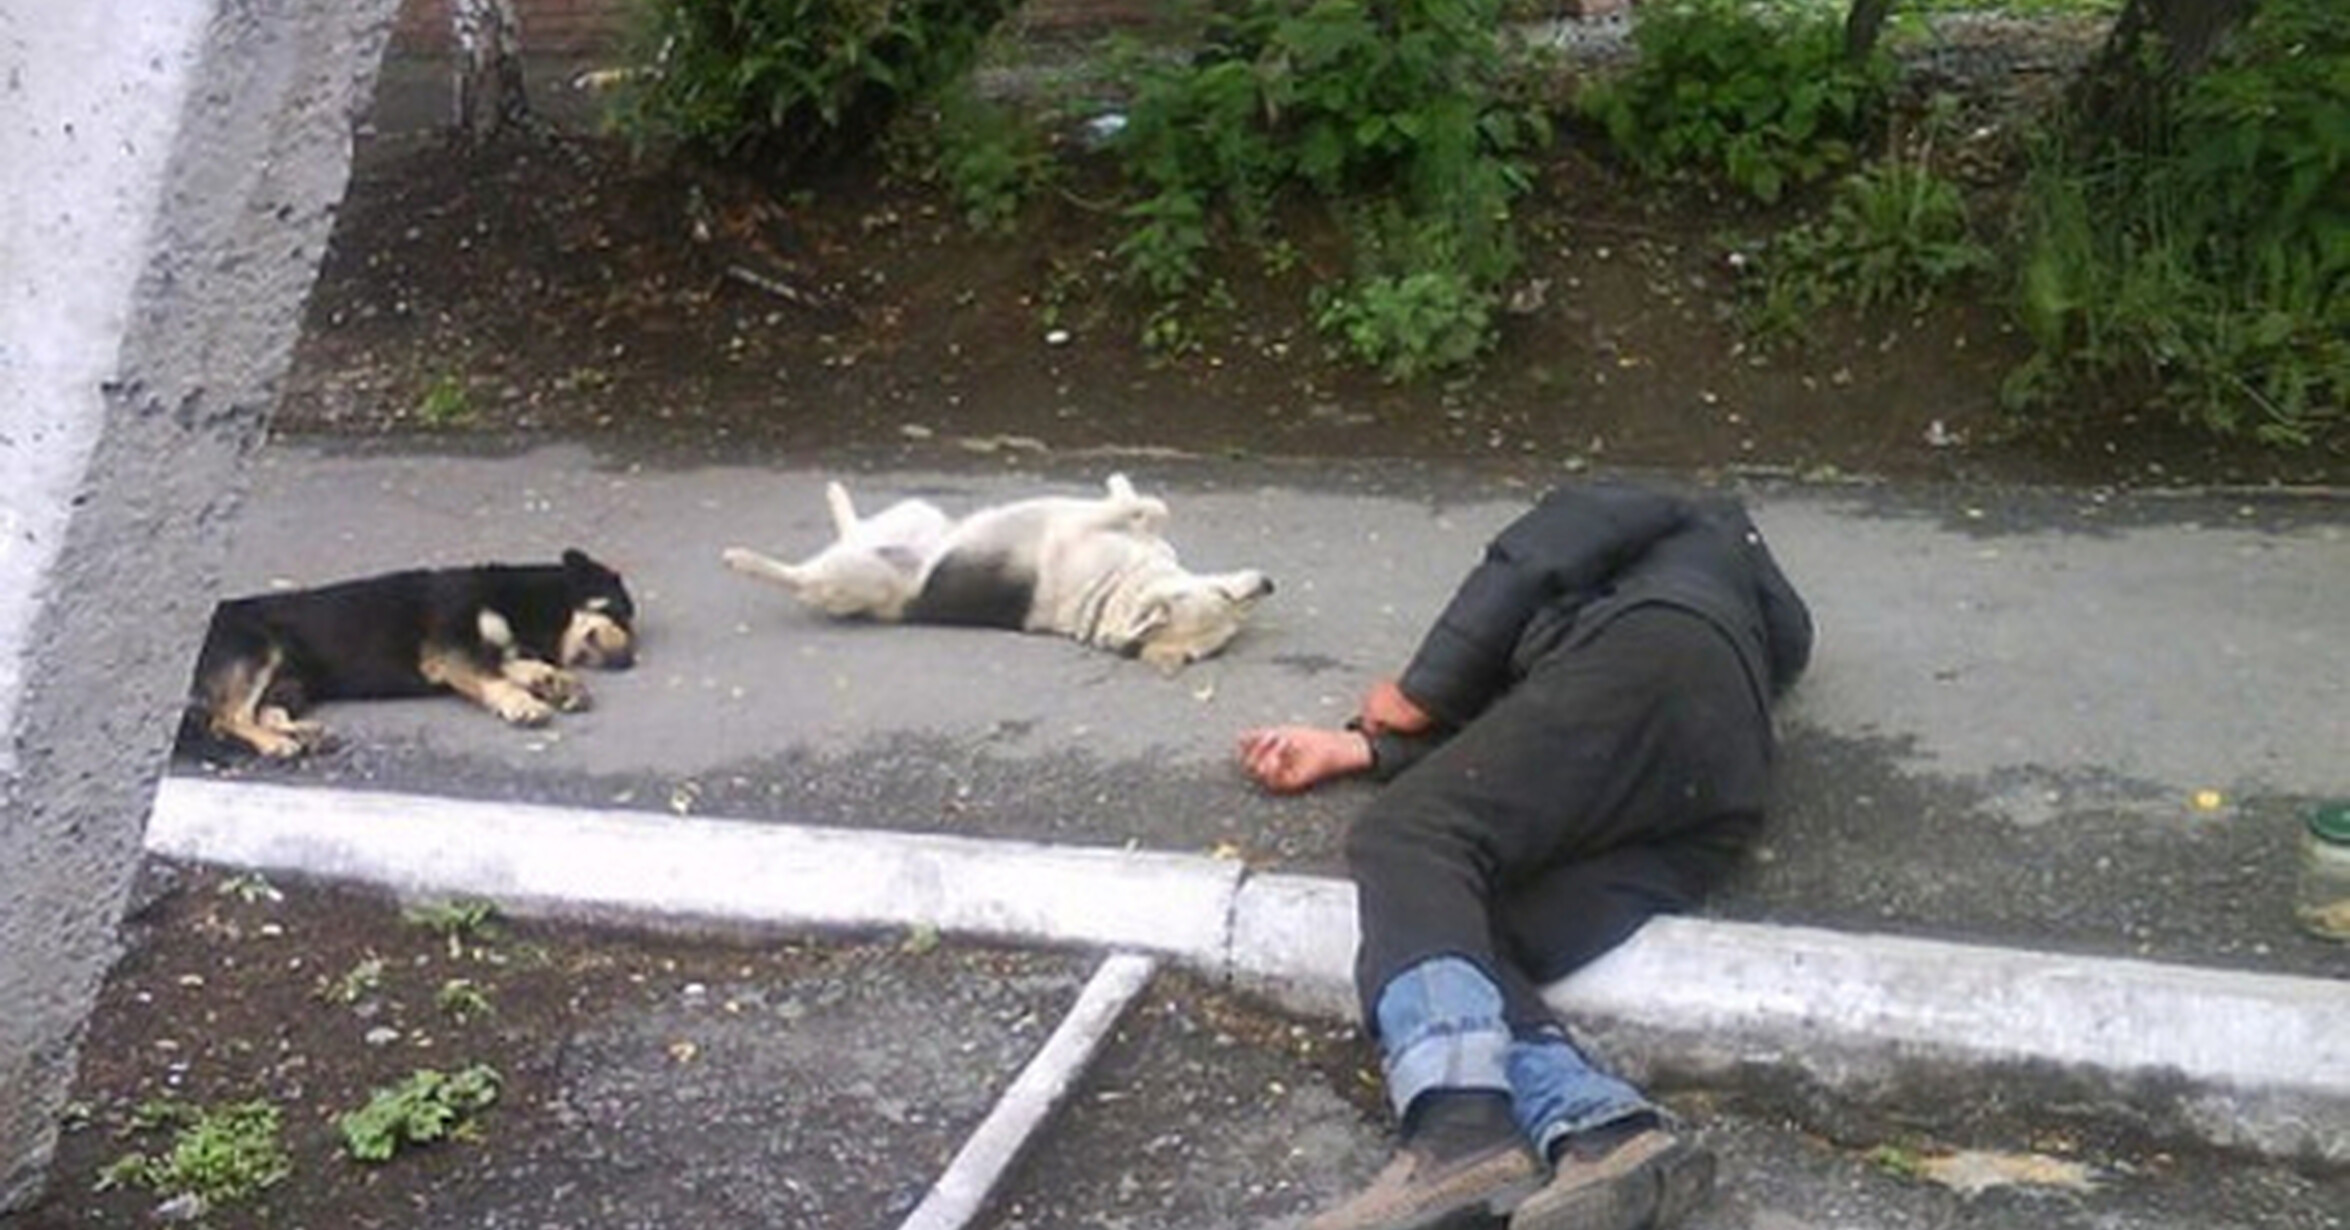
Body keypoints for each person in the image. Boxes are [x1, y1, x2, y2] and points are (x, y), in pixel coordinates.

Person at [1238, 480, 1812, 1230]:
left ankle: (1459, 1131)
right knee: (1458, 926)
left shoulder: (1663, 505)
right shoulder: (1764, 619)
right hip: (1720, 792)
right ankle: (1602, 1129)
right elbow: (1538, 744)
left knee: (1408, 837)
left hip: (1645, 666)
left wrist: (1422, 690)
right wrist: (1362, 750)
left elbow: (1531, 558)